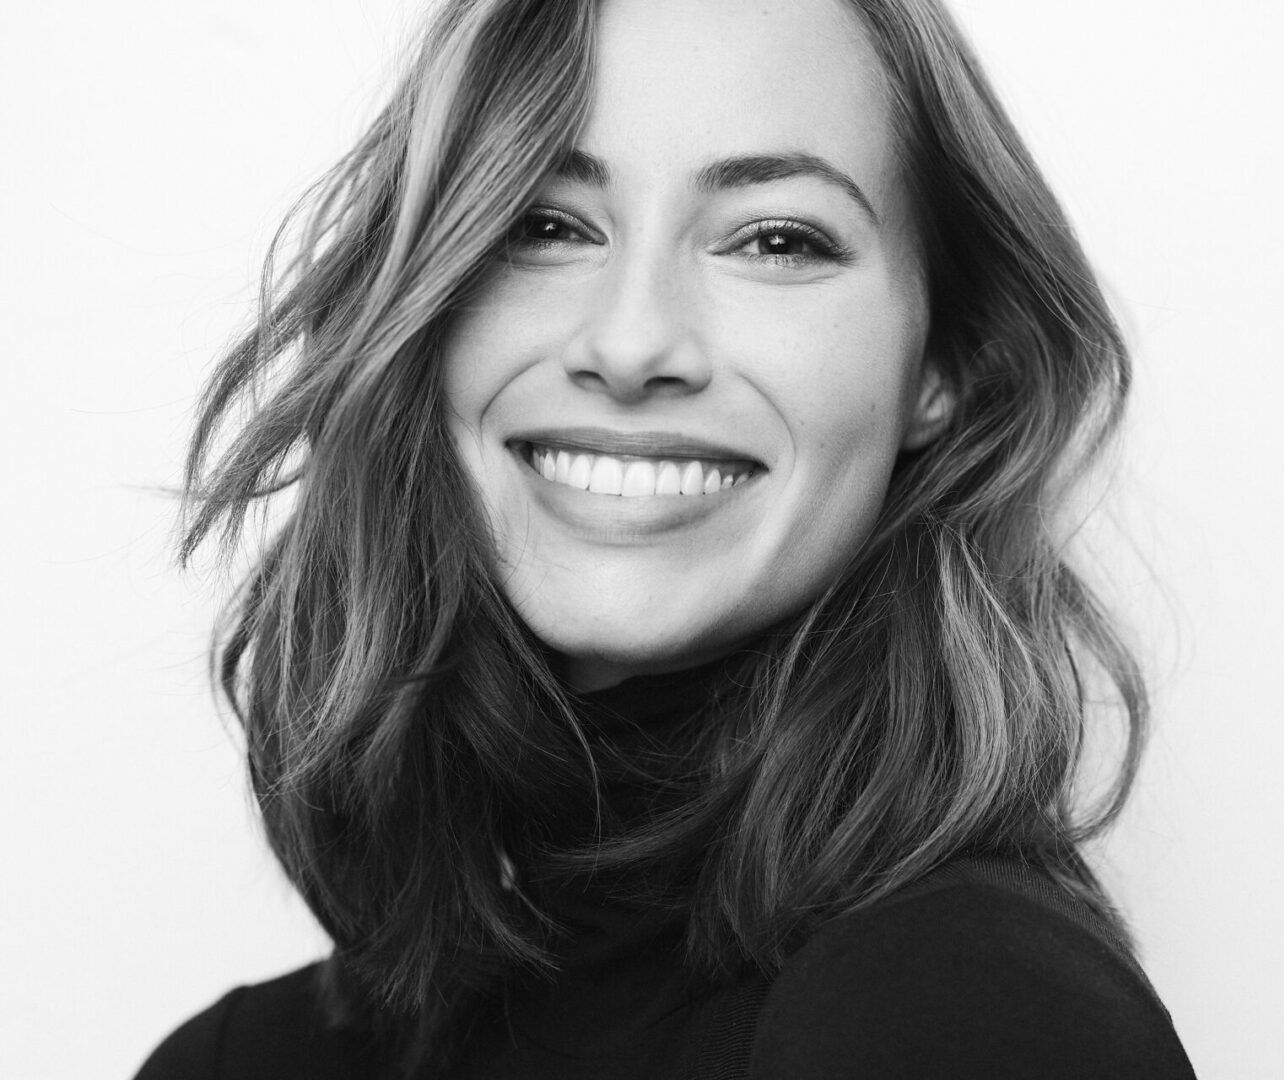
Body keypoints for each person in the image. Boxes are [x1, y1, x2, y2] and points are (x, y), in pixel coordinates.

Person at [136, 0, 1197, 1076]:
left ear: (946, 364)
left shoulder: (959, 1009)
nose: (633, 340)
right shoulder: (242, 1062)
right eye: (542, 225)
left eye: (776, 240)